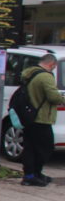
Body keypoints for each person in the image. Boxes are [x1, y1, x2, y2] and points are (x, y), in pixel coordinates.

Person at [20, 53, 63, 187]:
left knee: (30, 147)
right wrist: (62, 99)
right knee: (45, 148)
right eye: (54, 66)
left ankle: (33, 174)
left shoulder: (30, 73)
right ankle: (31, 175)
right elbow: (53, 97)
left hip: (29, 116)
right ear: (51, 64)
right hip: (41, 118)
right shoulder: (46, 76)